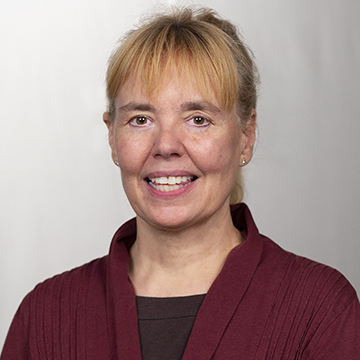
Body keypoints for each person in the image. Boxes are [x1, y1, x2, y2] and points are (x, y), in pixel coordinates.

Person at [1, 6, 359, 360]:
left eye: (198, 119)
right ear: (111, 136)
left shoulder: (319, 311)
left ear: (246, 136)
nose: (166, 146)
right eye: (140, 119)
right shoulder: (44, 318)